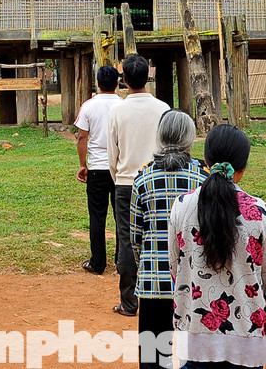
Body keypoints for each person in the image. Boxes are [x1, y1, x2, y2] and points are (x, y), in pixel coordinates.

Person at [168, 124, 266, 369]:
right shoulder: (260, 212)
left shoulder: (182, 206)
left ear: (206, 160)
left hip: (195, 335)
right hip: (247, 338)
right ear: (243, 167)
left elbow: (176, 269)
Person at [130, 109, 205, 369]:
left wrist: (145, 264)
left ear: (160, 137)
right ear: (190, 138)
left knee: (152, 355)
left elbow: (135, 236)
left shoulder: (143, 178)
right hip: (193, 281)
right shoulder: (203, 180)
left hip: (153, 281)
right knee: (191, 355)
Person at [105, 53, 169, 317]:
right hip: (158, 182)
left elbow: (112, 154)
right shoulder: (164, 109)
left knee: (127, 240)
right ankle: (163, 297)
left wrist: (119, 177)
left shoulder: (117, 111)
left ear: (124, 80)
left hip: (126, 183)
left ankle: (129, 303)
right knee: (161, 238)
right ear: (148, 76)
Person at [74, 64, 122, 275]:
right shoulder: (123, 105)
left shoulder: (89, 106)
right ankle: (122, 260)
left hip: (97, 168)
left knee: (97, 216)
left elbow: (82, 137)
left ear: (97, 83)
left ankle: (98, 262)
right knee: (121, 217)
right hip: (120, 168)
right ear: (118, 83)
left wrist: (83, 164)